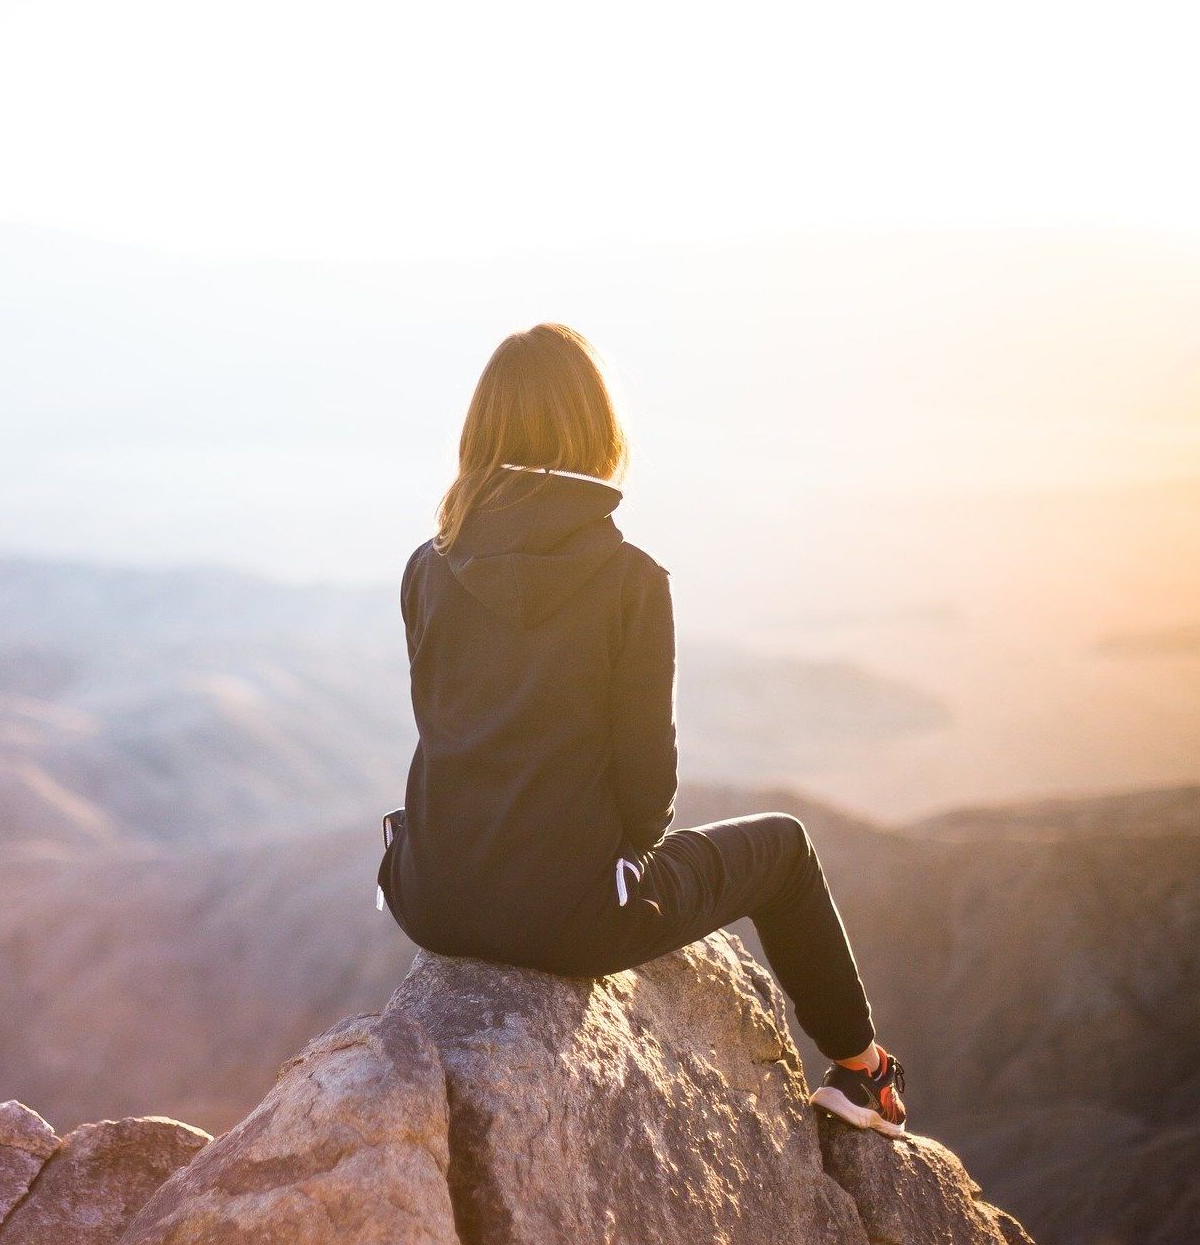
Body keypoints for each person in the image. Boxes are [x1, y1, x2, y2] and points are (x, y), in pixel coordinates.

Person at [375, 322, 907, 1137]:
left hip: (429, 895)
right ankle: (860, 1071)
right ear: (596, 431)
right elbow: (647, 787)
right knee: (786, 848)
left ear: (480, 431)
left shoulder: (427, 563)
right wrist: (614, 870)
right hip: (570, 919)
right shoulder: (628, 580)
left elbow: (444, 726)